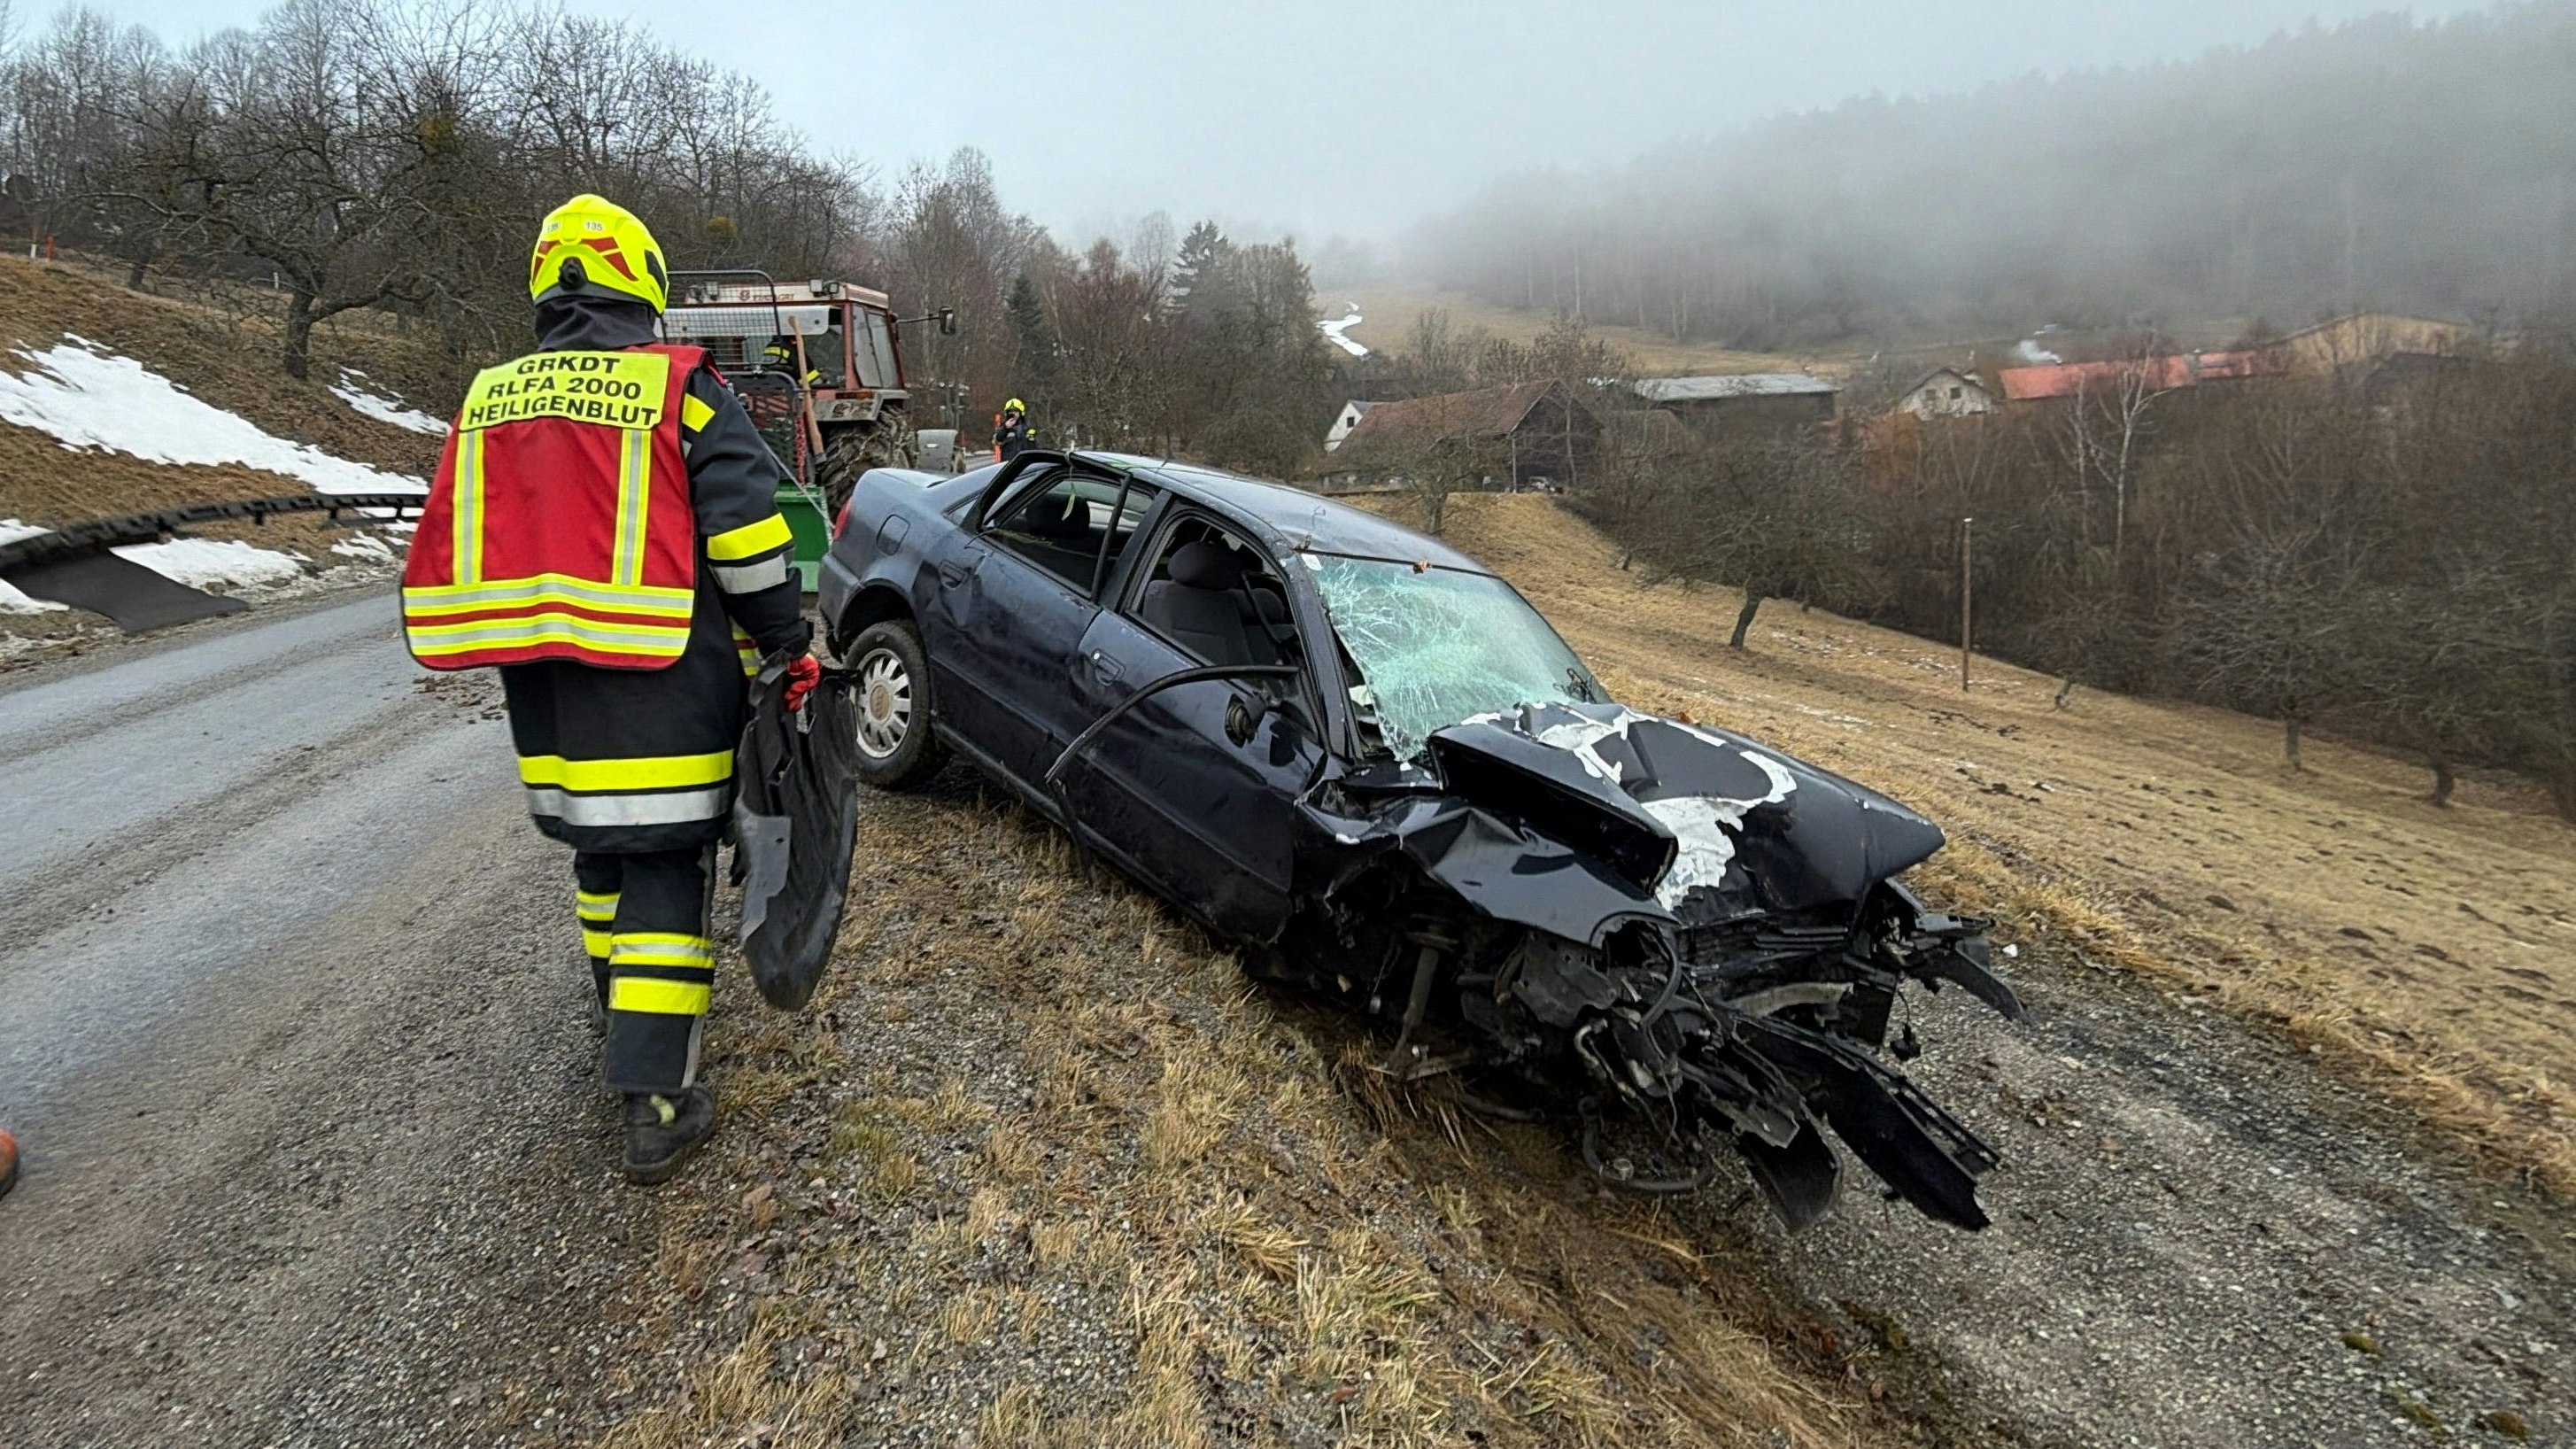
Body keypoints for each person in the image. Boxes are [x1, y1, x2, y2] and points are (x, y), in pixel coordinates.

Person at [399, 194, 819, 1185]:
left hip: (544, 688)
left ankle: (614, 998)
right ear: (645, 282)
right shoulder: (680, 387)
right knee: (667, 862)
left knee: (599, 844)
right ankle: (658, 1099)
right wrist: (785, 642)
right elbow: (750, 542)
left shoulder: (492, 394)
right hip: (658, 675)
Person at [993, 398, 1034, 462]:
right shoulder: (1003, 428)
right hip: (1008, 465)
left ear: (1021, 413)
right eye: (1010, 412)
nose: (1013, 414)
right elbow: (997, 439)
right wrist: (1006, 427)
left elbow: (1034, 448)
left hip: (1023, 464)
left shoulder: (1027, 429)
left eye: (1015, 411)